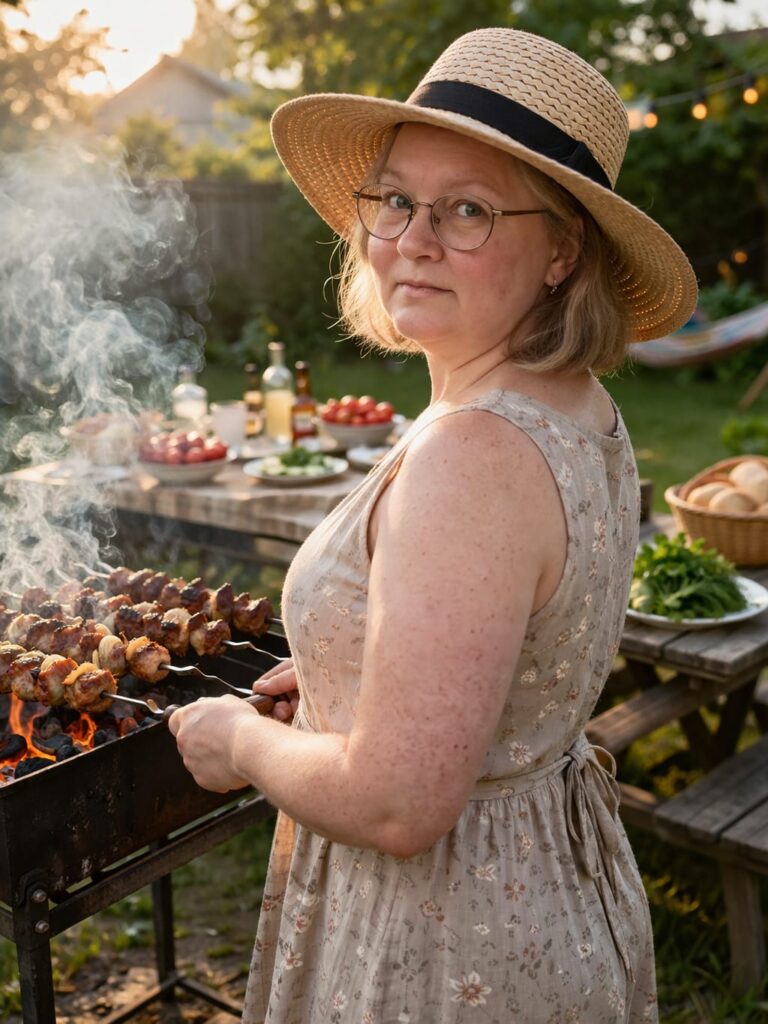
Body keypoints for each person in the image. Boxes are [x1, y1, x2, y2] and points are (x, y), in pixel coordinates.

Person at [169, 27, 697, 1024]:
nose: (411, 238)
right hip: (550, 889)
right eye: (399, 198)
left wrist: (239, 740)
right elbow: (506, 642)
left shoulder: (474, 455)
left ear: (562, 251)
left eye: (468, 209)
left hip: (451, 939)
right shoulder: (568, 401)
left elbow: (399, 802)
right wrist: (349, 670)